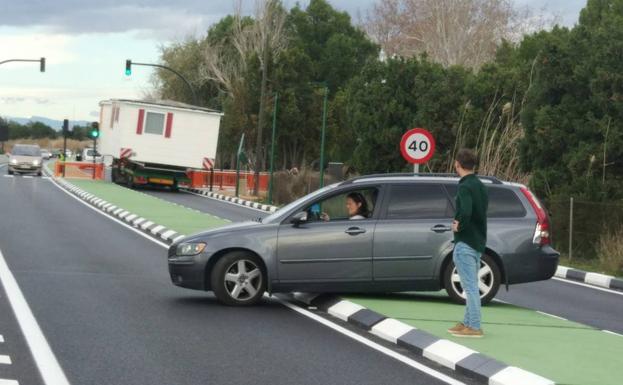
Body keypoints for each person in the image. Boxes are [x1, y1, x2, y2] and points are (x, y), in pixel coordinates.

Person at [448, 148, 488, 338]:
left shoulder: (464, 186)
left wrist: (458, 226)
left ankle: (474, 326)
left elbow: (466, 211)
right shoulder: (480, 185)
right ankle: (467, 322)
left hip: (465, 241)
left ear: (457, 164)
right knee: (470, 285)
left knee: (470, 287)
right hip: (478, 241)